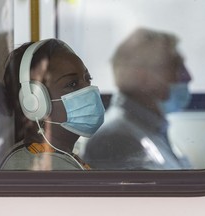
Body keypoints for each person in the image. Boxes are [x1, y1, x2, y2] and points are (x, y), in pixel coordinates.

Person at [82, 28, 192, 170]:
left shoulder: (150, 130)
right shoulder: (114, 140)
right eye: (175, 66)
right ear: (142, 76)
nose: (187, 77)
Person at [0, 38, 105, 170]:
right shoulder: (41, 169)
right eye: (72, 84)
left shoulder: (59, 159)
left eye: (88, 79)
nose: (87, 90)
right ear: (35, 103)